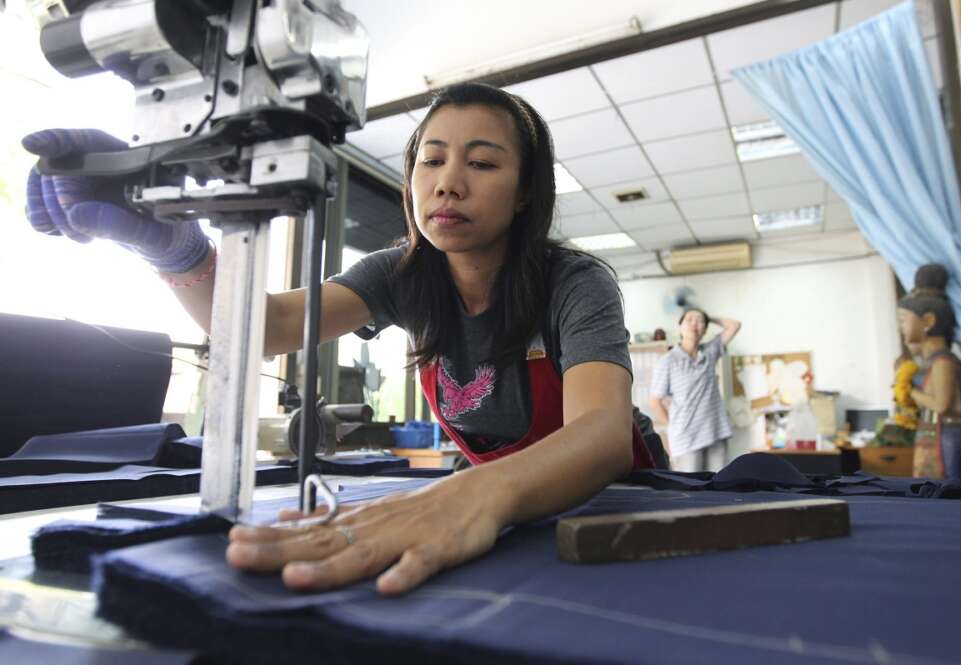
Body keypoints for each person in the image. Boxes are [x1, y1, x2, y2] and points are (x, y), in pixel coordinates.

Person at [21, 82, 663, 595]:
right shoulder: (401, 276)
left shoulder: (575, 284)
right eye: (431, 160)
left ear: (525, 192)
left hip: (615, 501)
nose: (448, 181)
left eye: (483, 162)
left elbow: (600, 437)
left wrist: (472, 494)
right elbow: (268, 329)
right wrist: (176, 248)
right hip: (497, 506)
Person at [896, 263, 961, 487]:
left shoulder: (943, 361)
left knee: (950, 495)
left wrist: (911, 391)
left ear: (928, 321)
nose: (901, 328)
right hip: (935, 436)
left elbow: (942, 404)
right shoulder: (931, 363)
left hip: (948, 439)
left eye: (903, 320)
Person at [647, 308, 741, 472]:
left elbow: (734, 325)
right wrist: (673, 425)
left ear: (705, 330)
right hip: (686, 439)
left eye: (699, 321)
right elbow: (655, 401)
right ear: (680, 327)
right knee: (692, 491)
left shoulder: (709, 352)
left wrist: (709, 317)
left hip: (716, 433)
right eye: (689, 319)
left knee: (719, 489)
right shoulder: (667, 361)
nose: (694, 323)